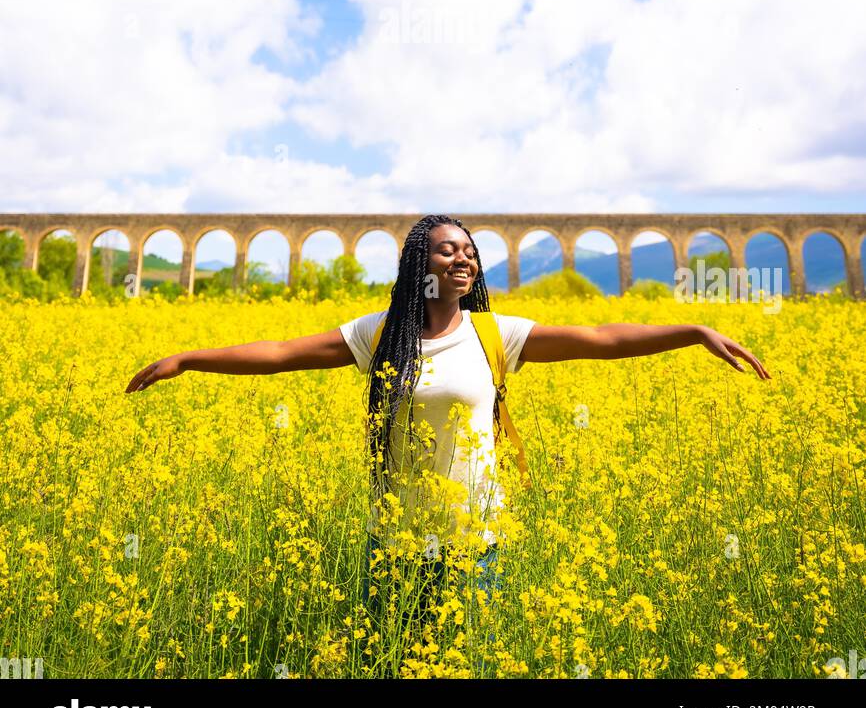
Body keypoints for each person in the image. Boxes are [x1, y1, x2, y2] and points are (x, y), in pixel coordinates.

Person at [125, 213, 770, 628]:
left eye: (468, 251)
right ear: (417, 265)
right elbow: (279, 355)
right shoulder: (378, 334)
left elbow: (600, 336)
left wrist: (692, 329)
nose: (461, 259)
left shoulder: (496, 335)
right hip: (398, 543)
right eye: (445, 252)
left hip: (476, 544)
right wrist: (188, 359)